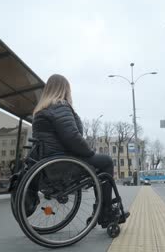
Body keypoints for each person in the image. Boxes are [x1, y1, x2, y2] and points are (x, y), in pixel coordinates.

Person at [31, 74, 128, 228]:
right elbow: (72, 137)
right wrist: (89, 153)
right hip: (63, 164)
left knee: (99, 167)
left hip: (50, 165)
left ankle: (102, 209)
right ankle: (106, 211)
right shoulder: (60, 106)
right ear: (64, 89)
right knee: (106, 162)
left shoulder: (41, 111)